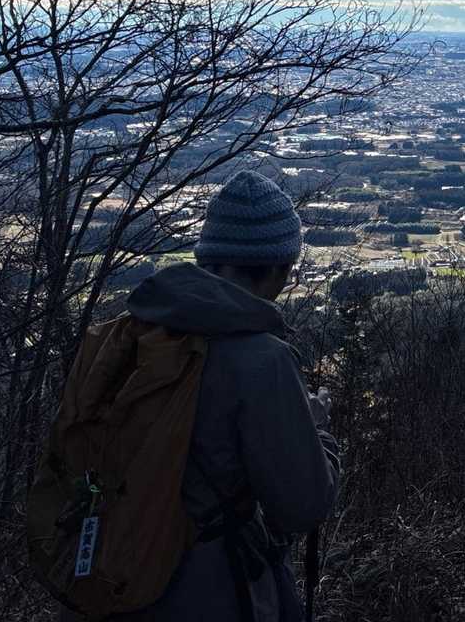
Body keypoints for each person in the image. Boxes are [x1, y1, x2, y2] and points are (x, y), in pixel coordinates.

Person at [121, 169, 340, 622]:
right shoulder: (261, 360)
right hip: (208, 590)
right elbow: (304, 506)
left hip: (112, 575)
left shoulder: (130, 334)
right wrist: (317, 431)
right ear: (278, 267)